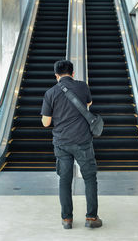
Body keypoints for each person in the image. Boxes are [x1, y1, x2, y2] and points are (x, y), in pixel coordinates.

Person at [41, 60, 102, 229]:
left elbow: (46, 123)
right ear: (73, 73)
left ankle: (67, 219)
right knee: (90, 178)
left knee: (65, 180)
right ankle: (91, 218)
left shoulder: (50, 93)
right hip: (82, 141)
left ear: (56, 76)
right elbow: (88, 105)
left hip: (62, 142)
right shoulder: (83, 87)